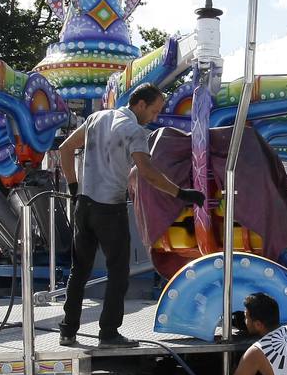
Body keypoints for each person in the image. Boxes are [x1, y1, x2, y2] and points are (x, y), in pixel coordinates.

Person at [57, 82, 205, 347]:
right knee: (118, 272)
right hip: (110, 209)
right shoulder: (135, 131)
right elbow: (147, 173)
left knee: (79, 270)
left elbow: (65, 149)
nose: (155, 117)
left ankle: (68, 331)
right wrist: (181, 194)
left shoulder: (96, 118)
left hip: (84, 205)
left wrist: (73, 187)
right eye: (154, 111)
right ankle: (109, 333)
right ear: (140, 104)